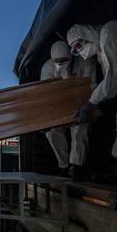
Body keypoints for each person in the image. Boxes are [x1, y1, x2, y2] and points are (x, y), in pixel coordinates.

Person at [66, 21, 117, 178]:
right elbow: (113, 83)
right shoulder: (100, 50)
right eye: (73, 50)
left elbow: (114, 78)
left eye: (78, 46)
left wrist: (91, 104)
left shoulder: (108, 34)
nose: (78, 52)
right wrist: (100, 106)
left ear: (86, 36)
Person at [40, 41, 96, 180]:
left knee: (80, 129)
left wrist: (84, 106)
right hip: (58, 109)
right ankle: (63, 166)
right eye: (57, 61)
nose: (60, 63)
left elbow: (92, 85)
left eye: (64, 60)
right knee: (52, 133)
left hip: (82, 105)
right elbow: (46, 95)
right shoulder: (47, 68)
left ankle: (76, 166)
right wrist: (48, 117)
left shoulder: (84, 61)